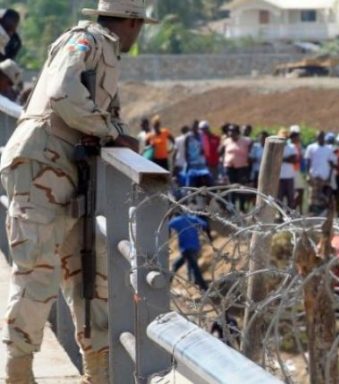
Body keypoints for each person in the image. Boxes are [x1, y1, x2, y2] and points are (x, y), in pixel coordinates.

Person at [0, 1, 153, 381]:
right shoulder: (87, 40)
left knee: (88, 277)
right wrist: (112, 133)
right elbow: (63, 93)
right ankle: (17, 373)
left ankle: (98, 371)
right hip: (42, 168)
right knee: (37, 272)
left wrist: (112, 130)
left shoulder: (105, 50)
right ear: (132, 23)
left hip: (71, 174)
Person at [169, 208, 210, 291]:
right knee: (179, 265)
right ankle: (195, 282)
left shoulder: (176, 220)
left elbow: (166, 226)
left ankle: (204, 287)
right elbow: (205, 224)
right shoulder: (192, 218)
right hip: (195, 246)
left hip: (186, 248)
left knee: (194, 267)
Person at [220, 125, 251, 212]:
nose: (231, 133)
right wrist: (222, 143)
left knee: (241, 188)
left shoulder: (245, 141)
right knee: (231, 188)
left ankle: (241, 207)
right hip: (229, 168)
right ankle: (232, 207)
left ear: (237, 132)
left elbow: (251, 149)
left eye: (233, 131)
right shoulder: (227, 141)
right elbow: (219, 152)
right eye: (229, 131)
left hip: (241, 168)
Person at [306, 131, 337, 212]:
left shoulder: (329, 149)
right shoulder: (311, 148)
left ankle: (322, 216)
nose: (320, 139)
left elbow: (331, 164)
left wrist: (329, 178)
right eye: (319, 137)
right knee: (312, 199)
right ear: (316, 138)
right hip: (314, 177)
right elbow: (308, 163)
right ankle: (312, 215)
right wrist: (308, 175)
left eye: (322, 137)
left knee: (324, 198)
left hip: (325, 177)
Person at [278, 128, 298, 209]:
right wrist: (287, 159)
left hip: (289, 176)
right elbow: (275, 159)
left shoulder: (292, 146)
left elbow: (293, 160)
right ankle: (279, 214)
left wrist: (281, 159)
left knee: (290, 197)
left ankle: (290, 215)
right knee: (279, 197)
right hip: (279, 177)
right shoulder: (277, 147)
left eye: (285, 137)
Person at [290, 125, 306, 214]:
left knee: (301, 192)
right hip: (295, 171)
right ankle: (292, 210)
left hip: (300, 171)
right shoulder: (292, 146)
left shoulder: (299, 145)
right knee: (298, 192)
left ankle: (300, 212)